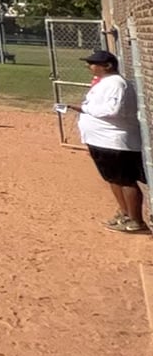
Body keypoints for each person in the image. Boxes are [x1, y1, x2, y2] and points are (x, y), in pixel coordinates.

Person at [60, 49, 149, 233]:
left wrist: (85, 109)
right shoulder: (105, 83)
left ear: (107, 66)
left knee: (126, 180)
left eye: (93, 63)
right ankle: (125, 214)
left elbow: (113, 110)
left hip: (115, 141)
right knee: (112, 179)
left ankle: (136, 221)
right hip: (101, 141)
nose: (89, 66)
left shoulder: (117, 83)